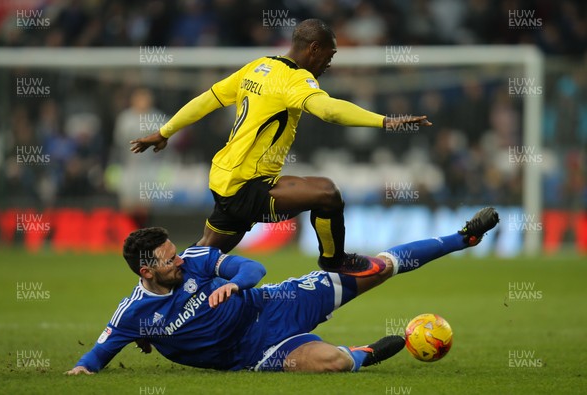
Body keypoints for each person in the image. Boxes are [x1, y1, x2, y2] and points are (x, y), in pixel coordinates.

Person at [129, 19, 432, 277]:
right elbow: (328, 110)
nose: (330, 61)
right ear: (314, 49)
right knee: (327, 194)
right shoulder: (295, 80)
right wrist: (386, 122)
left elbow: (208, 99)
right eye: (330, 54)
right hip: (248, 186)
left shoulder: (259, 66)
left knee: (198, 261)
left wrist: (164, 132)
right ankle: (334, 261)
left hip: (224, 179)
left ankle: (151, 293)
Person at [65, 207, 498, 374]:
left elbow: (253, 266)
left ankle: (463, 238)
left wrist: (233, 285)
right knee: (331, 362)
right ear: (146, 271)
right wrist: (79, 373)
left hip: (277, 302)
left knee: (379, 267)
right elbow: (93, 360)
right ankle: (365, 354)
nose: (178, 260)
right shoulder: (132, 315)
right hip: (253, 354)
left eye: (175, 252)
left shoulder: (197, 259)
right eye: (167, 259)